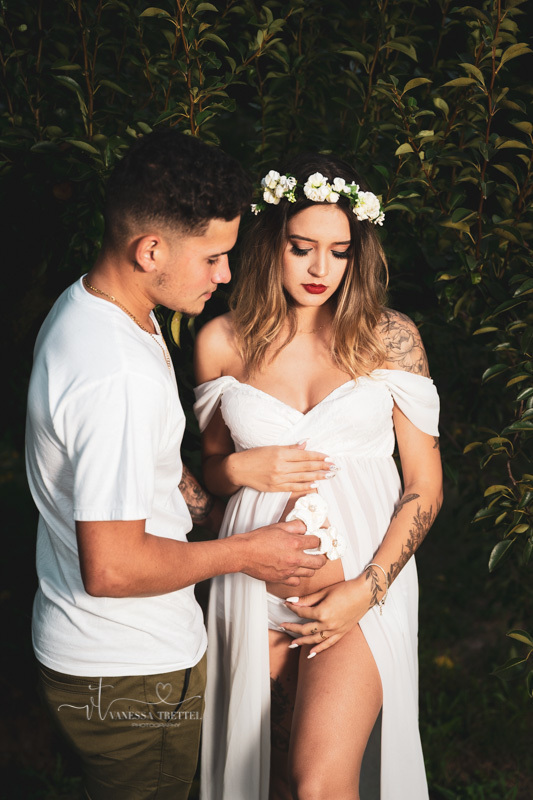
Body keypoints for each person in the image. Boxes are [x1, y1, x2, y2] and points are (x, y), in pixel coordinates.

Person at [25, 130, 331, 800]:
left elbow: (155, 469)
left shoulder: (99, 311)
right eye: (214, 258)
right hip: (129, 669)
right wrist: (246, 551)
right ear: (150, 250)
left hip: (97, 653)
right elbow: (112, 568)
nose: (224, 276)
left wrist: (216, 507)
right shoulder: (117, 376)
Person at [194, 154, 443, 800]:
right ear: (270, 244)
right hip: (250, 596)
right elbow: (211, 480)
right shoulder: (221, 341)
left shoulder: (390, 339)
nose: (318, 269)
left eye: (338, 252)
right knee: (268, 784)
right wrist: (238, 467)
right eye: (301, 248)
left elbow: (424, 484)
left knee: (317, 784)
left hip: (354, 598)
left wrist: (368, 588)